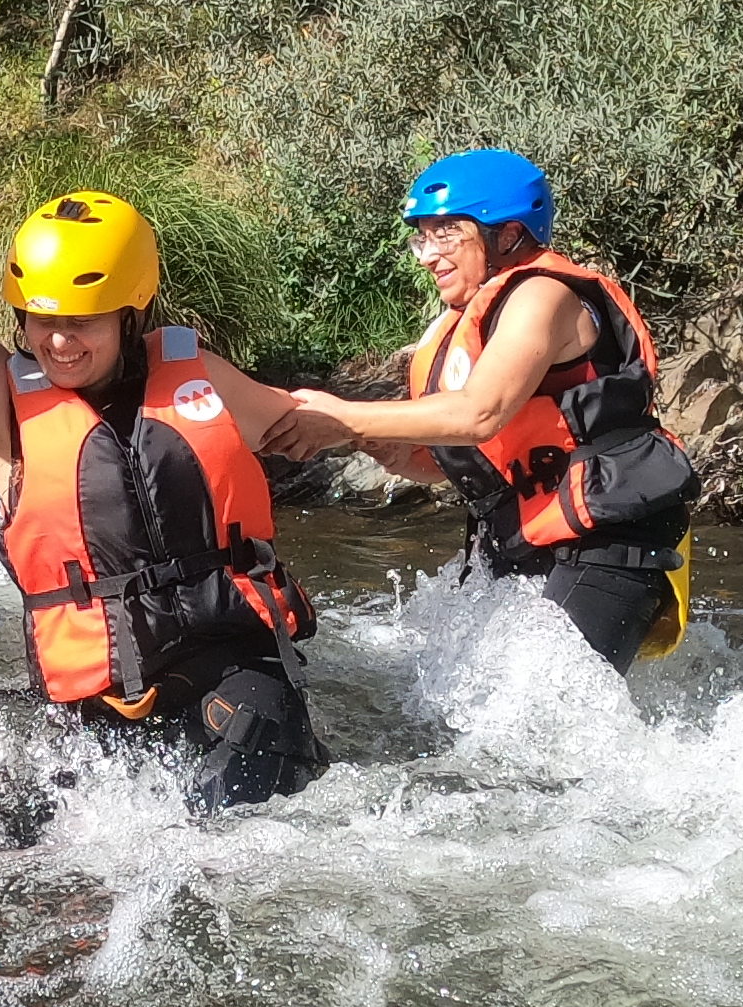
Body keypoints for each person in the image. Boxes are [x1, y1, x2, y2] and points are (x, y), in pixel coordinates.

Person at [0, 92, 332, 808]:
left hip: (228, 664)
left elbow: (306, 423)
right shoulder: (6, 411)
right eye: (41, 321)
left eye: (84, 322)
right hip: (94, 705)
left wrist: (431, 429)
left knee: (255, 771)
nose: (59, 341)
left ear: (131, 313)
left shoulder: (199, 377)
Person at [286, 149, 698, 669]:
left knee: (539, 728)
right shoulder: (458, 325)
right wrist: (394, 452)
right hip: (534, 542)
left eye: (446, 234)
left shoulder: (542, 296)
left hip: (611, 540)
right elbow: (457, 456)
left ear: (506, 235)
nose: (427, 255)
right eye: (422, 236)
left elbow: (481, 413)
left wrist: (344, 416)